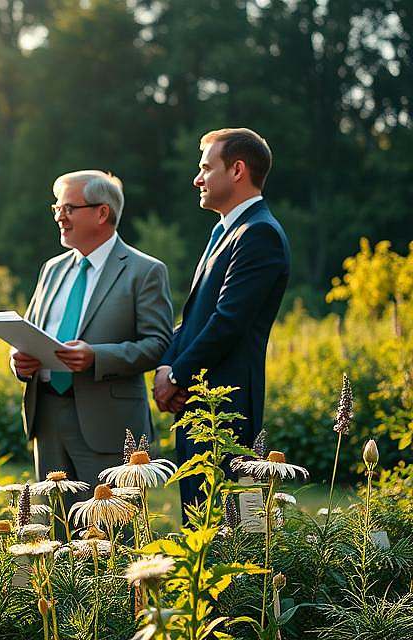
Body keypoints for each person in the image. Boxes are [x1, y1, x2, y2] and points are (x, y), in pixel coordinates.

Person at [11, 171, 173, 506]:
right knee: (58, 535)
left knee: (111, 536)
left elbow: (158, 344)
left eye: (69, 208)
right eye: (56, 207)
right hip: (47, 419)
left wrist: (96, 356)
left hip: (109, 427)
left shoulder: (144, 271)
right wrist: (18, 359)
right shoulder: (52, 269)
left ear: (102, 213)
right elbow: (30, 331)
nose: (59, 215)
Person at [153, 128, 291, 512]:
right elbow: (196, 318)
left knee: (229, 533)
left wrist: (177, 377)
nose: (197, 179)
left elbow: (228, 322)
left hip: (226, 410)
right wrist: (166, 364)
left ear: (237, 170)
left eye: (205, 168)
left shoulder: (259, 233)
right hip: (197, 404)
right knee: (199, 521)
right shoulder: (223, 232)